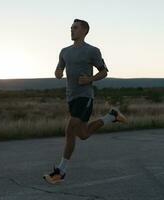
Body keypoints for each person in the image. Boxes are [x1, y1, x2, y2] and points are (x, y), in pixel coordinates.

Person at [43, 19, 127, 184]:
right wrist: (58, 72)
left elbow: (104, 72)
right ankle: (111, 116)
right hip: (71, 97)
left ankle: (60, 172)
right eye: (71, 28)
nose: (71, 30)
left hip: (85, 95)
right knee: (83, 134)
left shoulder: (92, 51)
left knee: (69, 129)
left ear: (84, 31)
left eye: (75, 28)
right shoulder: (64, 51)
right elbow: (59, 69)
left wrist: (90, 79)